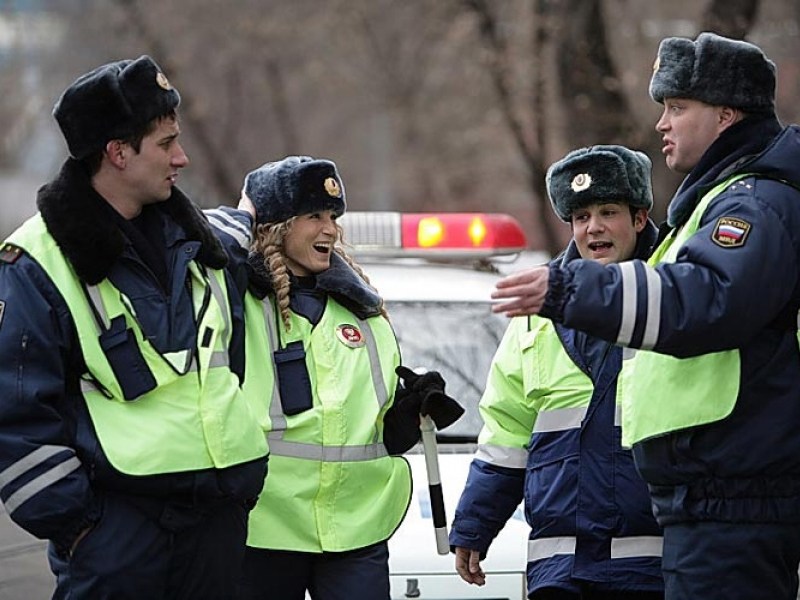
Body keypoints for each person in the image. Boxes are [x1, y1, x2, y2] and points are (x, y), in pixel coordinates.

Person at [490, 32, 800, 600]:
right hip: (713, 502)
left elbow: (702, 299)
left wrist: (571, 288)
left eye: (678, 107)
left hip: (734, 502)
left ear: (727, 115)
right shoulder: (720, 201)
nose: (662, 123)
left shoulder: (753, 203)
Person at [0, 56, 269, 599]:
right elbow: (16, 418)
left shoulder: (201, 248)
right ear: (118, 153)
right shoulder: (36, 263)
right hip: (115, 537)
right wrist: (82, 529)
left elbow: (227, 363)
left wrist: (237, 493)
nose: (183, 157)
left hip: (215, 528)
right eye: (166, 143)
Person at [236, 155, 464, 600]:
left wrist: (406, 415)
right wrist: (243, 219)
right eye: (313, 216)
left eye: (333, 217)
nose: (329, 229)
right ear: (277, 225)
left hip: (355, 530)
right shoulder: (237, 304)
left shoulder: (366, 313)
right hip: (263, 527)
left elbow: (369, 427)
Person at [449, 145, 664, 599]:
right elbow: (508, 430)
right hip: (560, 566)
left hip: (652, 563)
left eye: (608, 211)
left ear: (640, 218)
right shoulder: (536, 308)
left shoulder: (672, 293)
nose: (594, 227)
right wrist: (474, 523)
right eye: (582, 216)